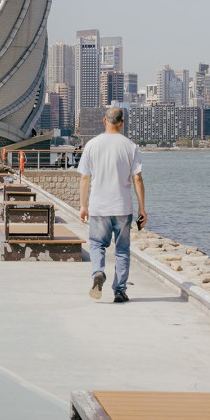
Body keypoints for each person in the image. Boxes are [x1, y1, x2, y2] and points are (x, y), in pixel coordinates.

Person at [76, 107, 146, 303]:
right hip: (123, 207)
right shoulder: (130, 146)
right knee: (122, 249)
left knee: (97, 244)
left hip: (99, 206)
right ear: (122, 123)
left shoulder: (91, 145)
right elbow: (138, 179)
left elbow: (84, 178)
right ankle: (120, 290)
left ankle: (98, 272)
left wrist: (83, 206)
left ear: (104, 121)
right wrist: (142, 209)